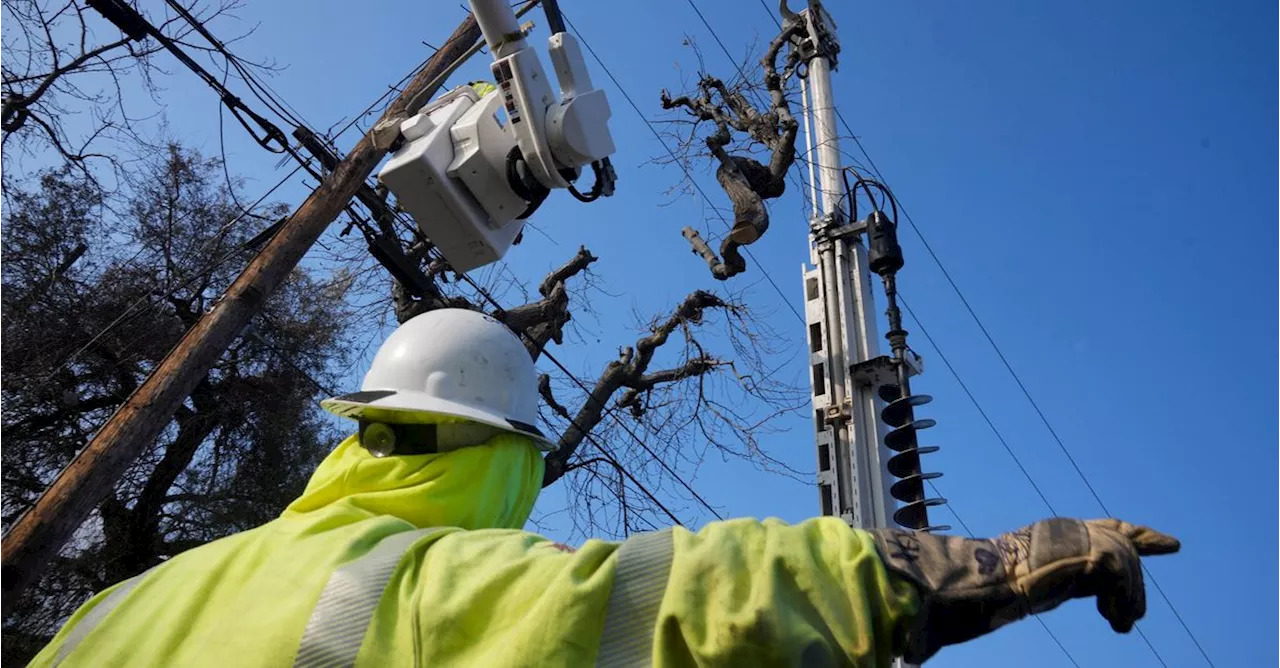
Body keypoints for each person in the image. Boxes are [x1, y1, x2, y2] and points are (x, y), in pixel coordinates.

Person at [30, 308, 1179, 667]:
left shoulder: (122, 604)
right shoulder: (420, 584)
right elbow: (684, 593)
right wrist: (988, 562)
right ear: (506, 457)